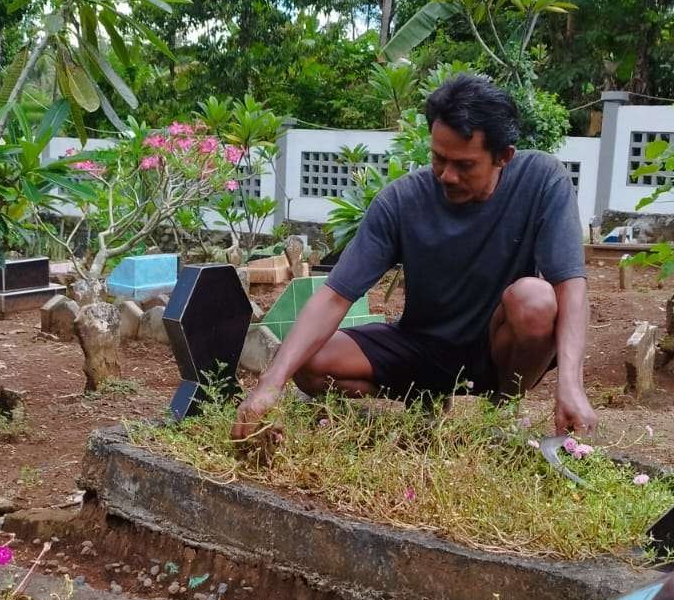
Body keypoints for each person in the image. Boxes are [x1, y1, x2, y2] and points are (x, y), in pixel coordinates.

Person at [231, 74, 596, 440]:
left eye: (464, 165)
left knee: (536, 299)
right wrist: (271, 383)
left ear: (503, 157)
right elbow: (335, 294)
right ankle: (425, 396)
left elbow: (570, 285)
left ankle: (501, 409)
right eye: (439, 158)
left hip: (495, 351)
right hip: (422, 346)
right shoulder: (402, 201)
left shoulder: (542, 181)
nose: (447, 176)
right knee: (309, 363)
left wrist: (571, 384)